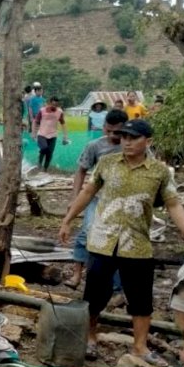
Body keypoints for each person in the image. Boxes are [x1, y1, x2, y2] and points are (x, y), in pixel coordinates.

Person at [58, 119, 184, 367]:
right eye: (123, 137)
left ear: (148, 141)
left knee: (140, 299)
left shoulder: (159, 172)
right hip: (102, 241)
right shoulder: (107, 164)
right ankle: (90, 337)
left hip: (137, 244)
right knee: (95, 295)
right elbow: (88, 192)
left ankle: (140, 347)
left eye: (133, 137)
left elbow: (173, 203)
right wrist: (67, 219)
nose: (126, 142)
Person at [67, 109, 127, 292]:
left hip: (123, 202)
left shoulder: (134, 146)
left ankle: (117, 286)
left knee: (119, 241)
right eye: (107, 130)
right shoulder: (95, 146)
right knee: (86, 232)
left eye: (116, 132)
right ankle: (77, 274)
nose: (111, 135)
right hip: (97, 198)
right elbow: (81, 171)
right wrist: (75, 197)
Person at [33, 97, 68, 171]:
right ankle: (39, 163)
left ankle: (45, 169)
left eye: (56, 105)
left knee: (50, 153)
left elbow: (63, 124)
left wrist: (65, 136)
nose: (54, 106)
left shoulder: (59, 112)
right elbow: (35, 121)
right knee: (44, 148)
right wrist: (34, 133)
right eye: (53, 104)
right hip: (42, 134)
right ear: (49, 103)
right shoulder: (42, 110)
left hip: (53, 135)